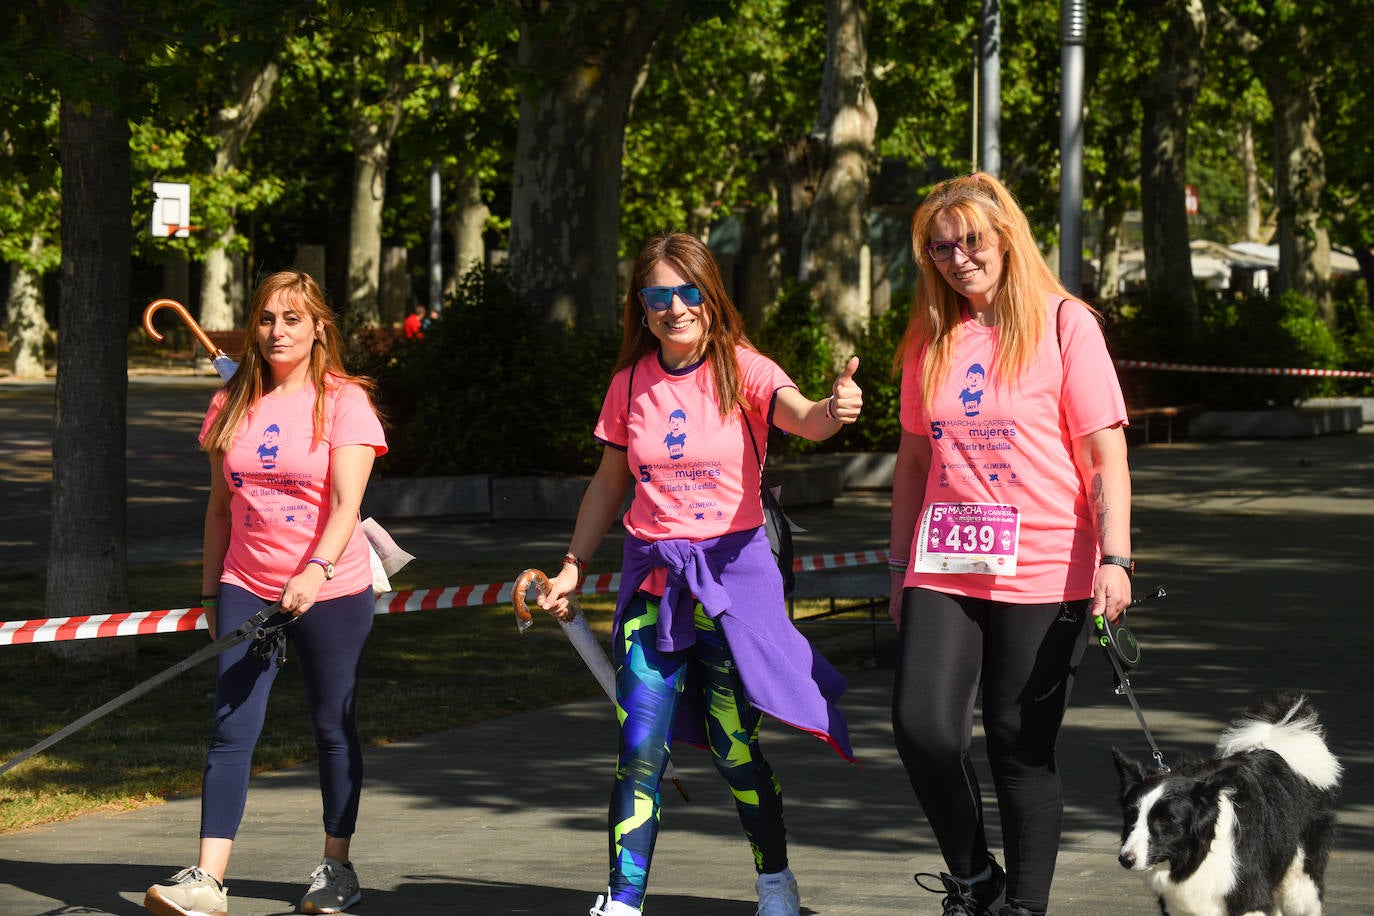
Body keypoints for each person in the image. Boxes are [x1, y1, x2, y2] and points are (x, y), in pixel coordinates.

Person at [537, 231, 862, 916]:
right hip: (654, 581)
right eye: (659, 295)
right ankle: (624, 901)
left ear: (712, 298)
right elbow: (606, 484)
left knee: (734, 749)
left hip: (733, 582)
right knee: (638, 748)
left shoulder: (746, 370)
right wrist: (573, 566)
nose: (675, 308)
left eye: (689, 292)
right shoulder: (629, 382)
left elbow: (803, 417)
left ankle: (774, 879)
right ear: (642, 304)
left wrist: (836, 410)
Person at [886, 174, 1133, 916]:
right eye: (939, 247)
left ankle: (1023, 907)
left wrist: (1116, 558)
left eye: (971, 240)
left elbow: (1104, 456)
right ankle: (973, 879)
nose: (957, 257)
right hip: (946, 562)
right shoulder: (931, 336)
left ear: (1006, 237)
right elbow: (915, 461)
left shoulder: (1066, 324)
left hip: (1048, 567)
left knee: (1018, 746)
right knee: (923, 729)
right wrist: (899, 566)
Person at [143, 269, 387, 916]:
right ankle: (207, 880)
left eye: (292, 319)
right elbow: (221, 507)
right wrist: (209, 592)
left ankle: (336, 869)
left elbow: (345, 505)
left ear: (318, 329)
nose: (277, 331)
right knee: (230, 728)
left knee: (333, 726)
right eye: (266, 318)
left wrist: (316, 570)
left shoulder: (345, 402)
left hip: (330, 587)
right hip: (246, 585)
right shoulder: (232, 401)